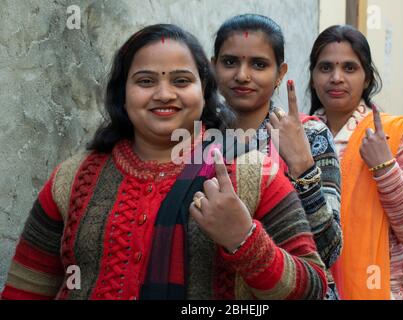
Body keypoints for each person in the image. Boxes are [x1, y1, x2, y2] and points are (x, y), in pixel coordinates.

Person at [1, 24, 327, 300]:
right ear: (122, 93)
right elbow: (24, 289)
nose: (164, 94)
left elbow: (313, 287)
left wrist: (243, 239)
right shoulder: (74, 177)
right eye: (145, 81)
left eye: (181, 81)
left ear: (205, 91)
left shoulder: (253, 173)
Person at [212, 14, 342, 299]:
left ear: (280, 73)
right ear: (213, 66)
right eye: (230, 62)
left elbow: (330, 250)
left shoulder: (308, 134)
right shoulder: (198, 135)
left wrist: (303, 168)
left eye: (259, 64)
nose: (242, 75)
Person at [308, 24, 403, 300]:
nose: (336, 77)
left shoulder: (391, 136)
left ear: (367, 78)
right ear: (313, 75)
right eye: (326, 67)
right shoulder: (298, 137)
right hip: (313, 289)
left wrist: (385, 168)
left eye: (350, 68)